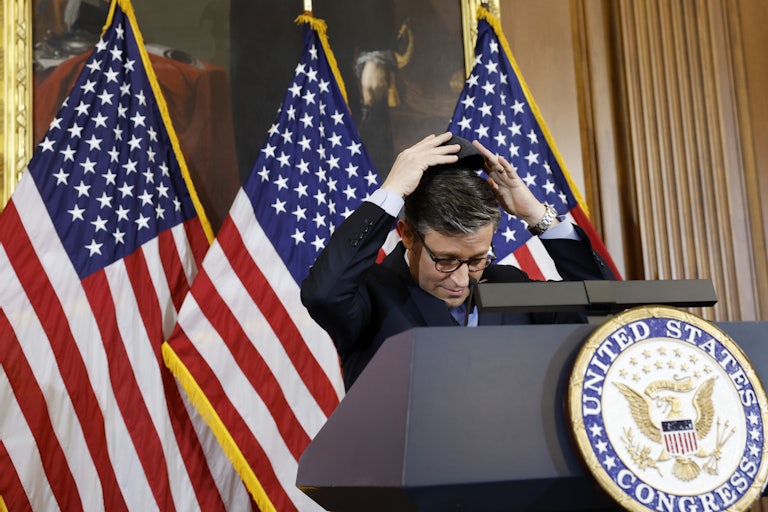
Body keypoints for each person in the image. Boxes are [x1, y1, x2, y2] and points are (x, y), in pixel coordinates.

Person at [301, 131, 614, 390]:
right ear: (407, 235)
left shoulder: (510, 285)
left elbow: (607, 309)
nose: (462, 279)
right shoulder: (371, 296)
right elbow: (323, 293)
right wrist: (392, 190)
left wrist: (536, 215)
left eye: (477, 259)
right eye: (446, 260)